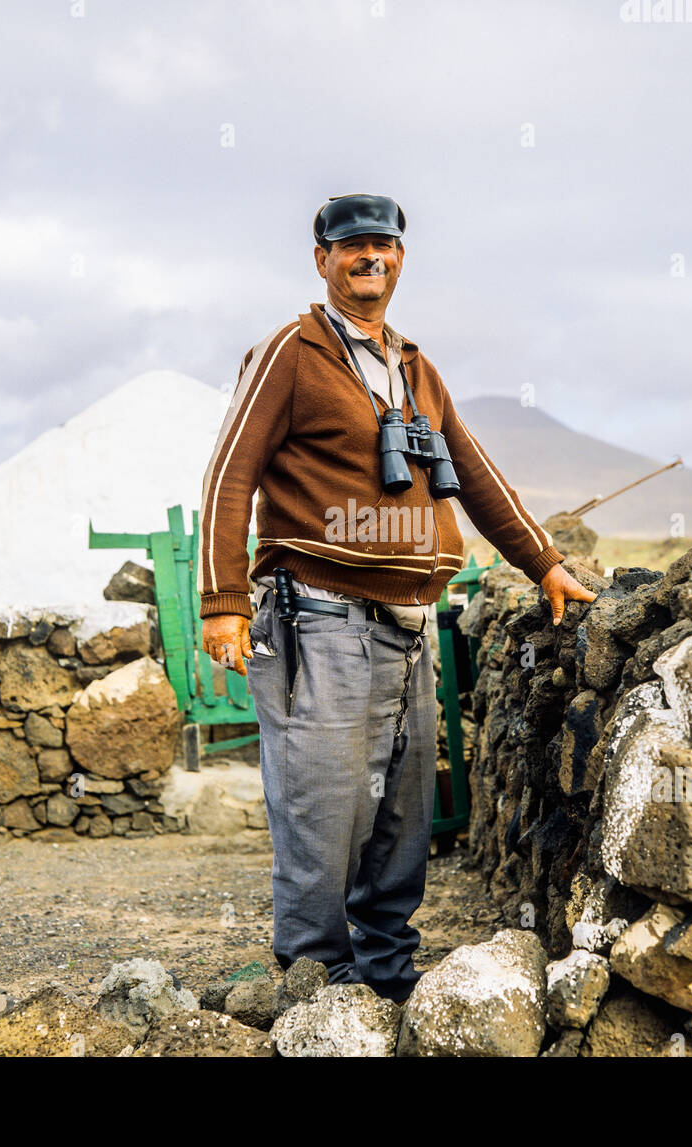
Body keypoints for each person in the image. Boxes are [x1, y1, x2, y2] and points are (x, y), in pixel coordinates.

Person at [198, 193, 595, 1003]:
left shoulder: (414, 364)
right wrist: (222, 601)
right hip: (319, 615)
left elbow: (475, 473)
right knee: (323, 807)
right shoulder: (291, 350)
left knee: (400, 813)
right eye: (351, 247)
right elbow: (229, 472)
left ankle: (384, 974)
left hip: (411, 625)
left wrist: (544, 564)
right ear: (322, 260)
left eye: (382, 245)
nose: (369, 257)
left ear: (401, 258)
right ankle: (316, 985)